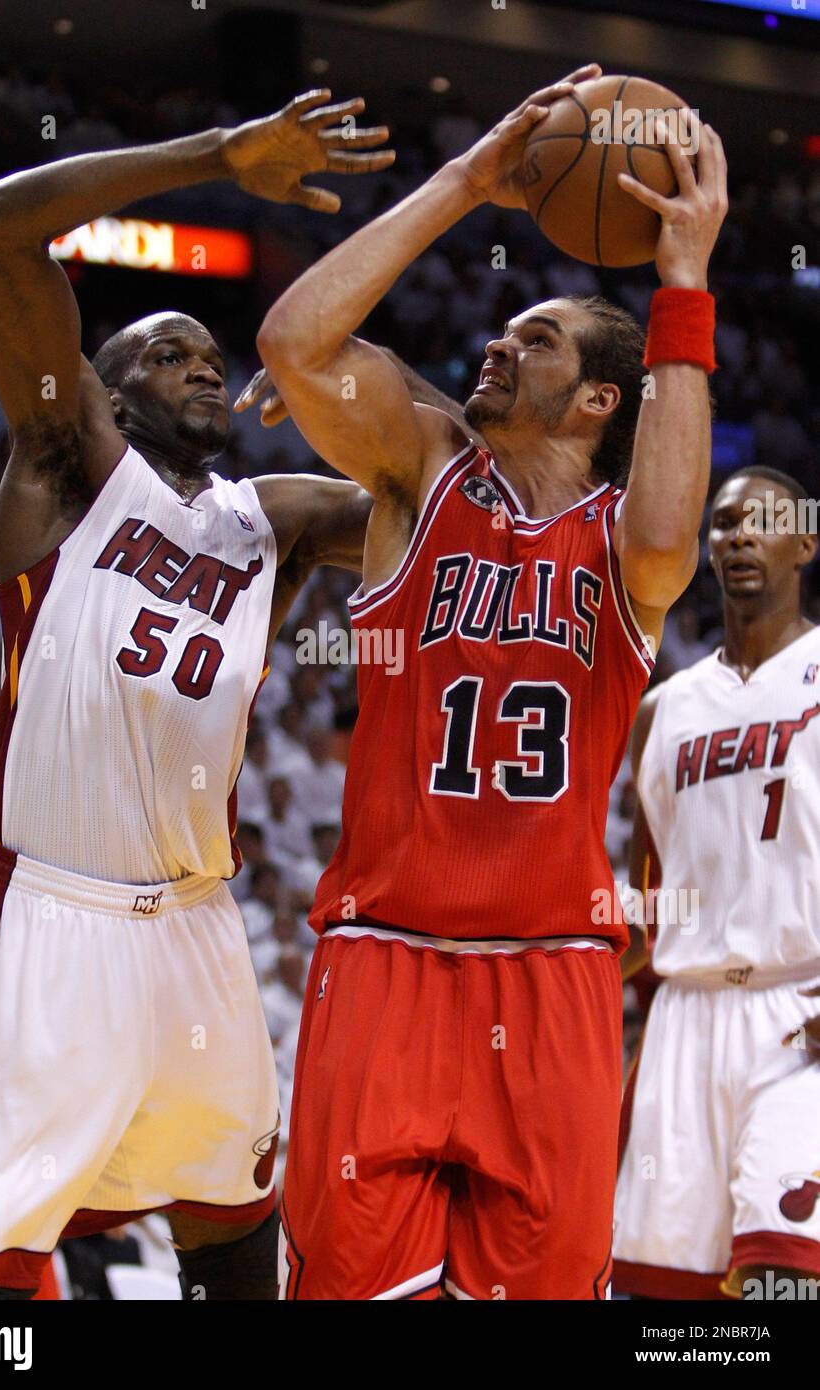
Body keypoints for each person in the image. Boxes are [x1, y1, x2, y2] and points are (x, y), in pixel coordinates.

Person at [0, 89, 397, 1302]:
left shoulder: (265, 519)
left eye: (210, 355)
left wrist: (337, 373)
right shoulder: (66, 465)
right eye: (166, 352)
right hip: (49, 911)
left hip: (198, 924)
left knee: (234, 1225)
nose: (201, 367)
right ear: (103, 391)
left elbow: (441, 491)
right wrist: (220, 154)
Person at [256, 63, 728, 1299]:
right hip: (384, 958)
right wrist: (469, 181)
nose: (498, 345)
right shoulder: (420, 472)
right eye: (507, 330)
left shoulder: (629, 547)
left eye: (538, 340)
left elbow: (677, 532)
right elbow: (295, 341)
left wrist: (685, 283)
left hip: (555, 971)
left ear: (597, 398)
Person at [615, 468, 820, 1300]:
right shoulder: (662, 709)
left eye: (761, 521)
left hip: (799, 1012)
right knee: (669, 1292)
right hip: (685, 1017)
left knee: (781, 1274)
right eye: (723, 523)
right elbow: (643, 899)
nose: (737, 535)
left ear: (804, 542)